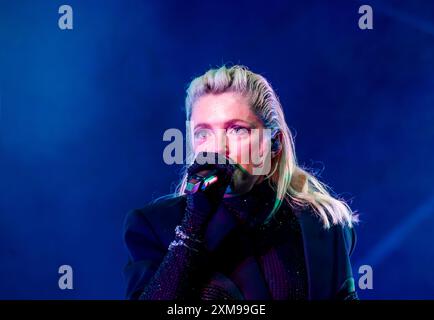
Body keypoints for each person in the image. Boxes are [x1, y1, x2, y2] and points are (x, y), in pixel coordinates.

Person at [122, 65, 359, 300]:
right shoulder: (154, 227)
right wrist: (193, 226)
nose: (218, 148)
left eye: (237, 130)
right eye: (203, 133)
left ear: (274, 143)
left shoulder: (322, 224)